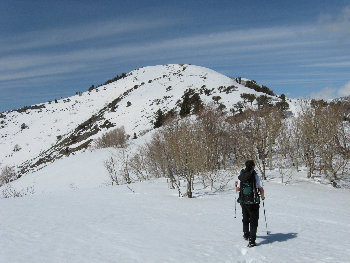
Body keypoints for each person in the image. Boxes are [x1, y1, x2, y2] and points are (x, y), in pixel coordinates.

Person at [235, 160, 265, 247]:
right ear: (253, 166)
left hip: (243, 201)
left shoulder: (242, 175)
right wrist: (262, 197)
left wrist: (236, 185)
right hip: (253, 202)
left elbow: (238, 189)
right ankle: (252, 240)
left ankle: (246, 234)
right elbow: (261, 188)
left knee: (245, 218)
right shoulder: (256, 176)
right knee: (253, 220)